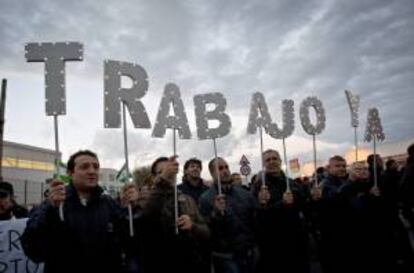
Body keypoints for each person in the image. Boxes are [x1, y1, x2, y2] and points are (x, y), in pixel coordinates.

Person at [21, 150, 136, 273]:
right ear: (70, 173)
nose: (92, 171)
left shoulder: (108, 203)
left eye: (95, 167)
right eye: (84, 167)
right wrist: (50, 209)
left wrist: (131, 209)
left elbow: (130, 243)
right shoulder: (53, 204)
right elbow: (33, 250)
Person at [135, 156, 210, 273]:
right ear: (154, 178)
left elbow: (206, 232)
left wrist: (193, 226)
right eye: (162, 172)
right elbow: (147, 221)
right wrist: (162, 181)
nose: (168, 174)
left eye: (171, 170)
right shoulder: (146, 201)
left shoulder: (188, 200)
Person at [253, 149, 309, 273]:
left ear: (280, 161)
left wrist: (315, 197)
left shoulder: (292, 183)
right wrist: (280, 204)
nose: (272, 162)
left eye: (274, 159)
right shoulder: (259, 186)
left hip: (296, 239)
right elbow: (257, 215)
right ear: (263, 164)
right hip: (273, 243)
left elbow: (304, 206)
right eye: (268, 160)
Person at [199, 157, 257, 273]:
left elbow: (254, 220)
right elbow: (205, 229)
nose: (225, 171)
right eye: (220, 168)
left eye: (226, 167)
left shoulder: (244, 193)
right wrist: (215, 213)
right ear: (212, 173)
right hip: (226, 257)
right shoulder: (205, 198)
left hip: (249, 252)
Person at [318, 155, 349, 273]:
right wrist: (351, 183)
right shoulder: (324, 184)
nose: (342, 168)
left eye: (344, 166)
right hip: (333, 236)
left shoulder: (344, 180)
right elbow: (335, 198)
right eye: (337, 166)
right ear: (328, 168)